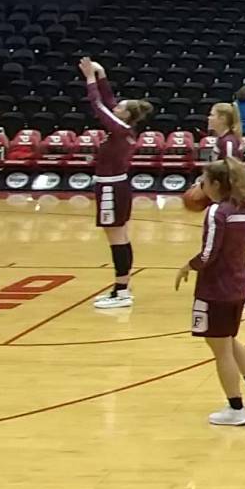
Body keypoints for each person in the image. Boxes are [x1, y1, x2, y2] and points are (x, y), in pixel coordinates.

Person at [183, 157, 245, 428]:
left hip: (215, 289)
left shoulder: (216, 212)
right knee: (228, 339)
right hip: (238, 284)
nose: (199, 185)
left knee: (220, 348)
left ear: (216, 184)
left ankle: (235, 407)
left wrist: (188, 265)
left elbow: (209, 254)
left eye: (203, 181)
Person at [81, 57, 154, 310]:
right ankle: (123, 286)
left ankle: (121, 291)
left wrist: (90, 80)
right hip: (116, 185)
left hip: (111, 187)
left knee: (116, 238)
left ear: (126, 114)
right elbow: (109, 100)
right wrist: (101, 73)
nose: (116, 107)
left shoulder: (120, 128)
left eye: (120, 107)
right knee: (120, 235)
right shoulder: (124, 125)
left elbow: (98, 105)